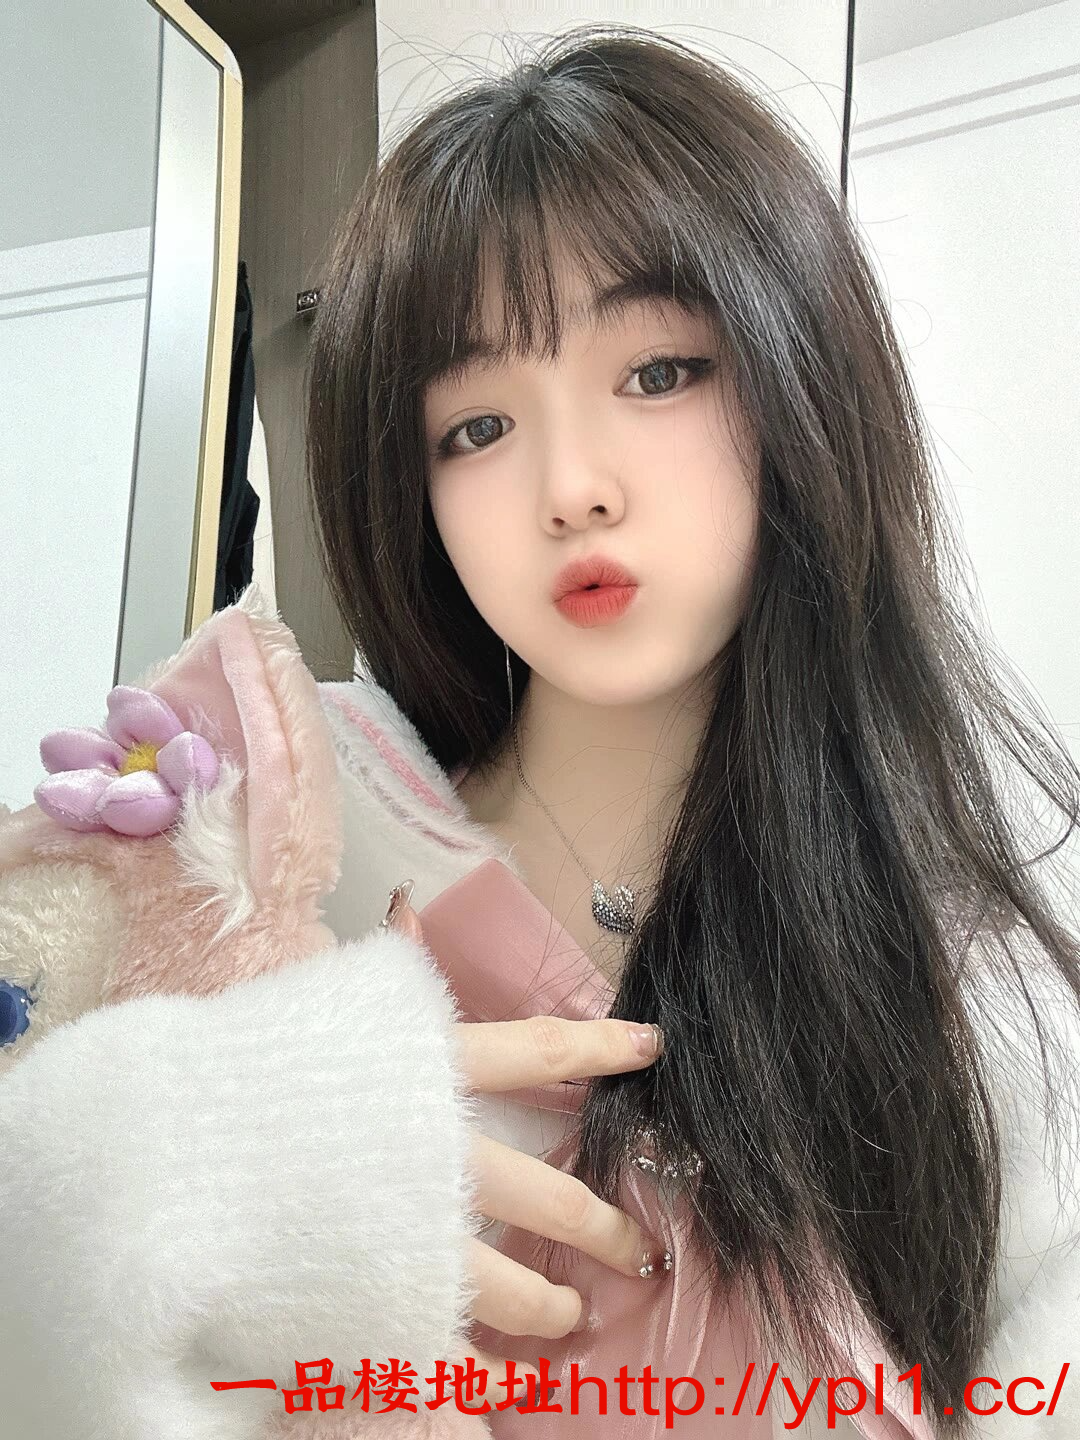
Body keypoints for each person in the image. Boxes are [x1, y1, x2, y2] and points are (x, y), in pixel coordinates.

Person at [1, 20, 1078, 1440]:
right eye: (477, 428)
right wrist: (168, 1182)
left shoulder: (970, 975)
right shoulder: (280, 838)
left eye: (659, 373)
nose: (571, 486)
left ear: (800, 375)